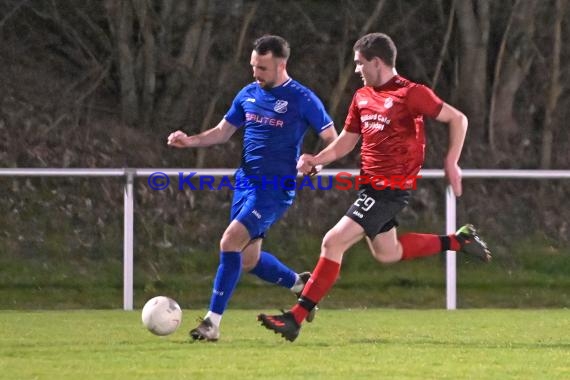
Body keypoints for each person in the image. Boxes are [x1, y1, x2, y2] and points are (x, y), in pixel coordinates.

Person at [257, 32, 492, 342]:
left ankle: (296, 317)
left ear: (377, 62)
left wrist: (451, 161)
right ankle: (458, 241)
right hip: (370, 188)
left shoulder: (411, 94)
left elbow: (457, 119)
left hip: (390, 190)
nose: (357, 69)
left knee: (332, 242)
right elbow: (345, 142)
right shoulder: (362, 97)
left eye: (360, 63)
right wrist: (317, 159)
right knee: (388, 252)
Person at [167, 35, 338, 342]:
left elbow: (333, 138)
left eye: (263, 68)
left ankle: (211, 323)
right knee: (248, 260)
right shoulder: (247, 93)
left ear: (281, 65)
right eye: (253, 66)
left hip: (274, 188)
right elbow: (222, 132)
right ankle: (301, 286)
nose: (255, 73)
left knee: (229, 242)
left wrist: (317, 163)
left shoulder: (302, 98)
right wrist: (189, 140)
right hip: (245, 183)